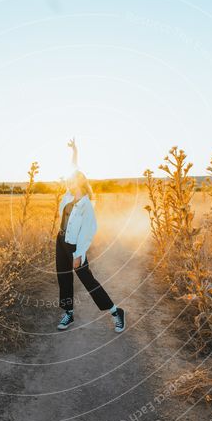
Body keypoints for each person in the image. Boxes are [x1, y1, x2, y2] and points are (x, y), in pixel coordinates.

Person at [55, 138, 125, 332]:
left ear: (79, 182)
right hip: (60, 241)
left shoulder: (86, 205)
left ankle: (115, 311)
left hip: (75, 246)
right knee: (64, 278)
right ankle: (68, 313)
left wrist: (79, 253)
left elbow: (88, 231)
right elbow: (73, 167)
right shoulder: (68, 196)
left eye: (71, 180)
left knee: (88, 281)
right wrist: (75, 151)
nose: (67, 182)